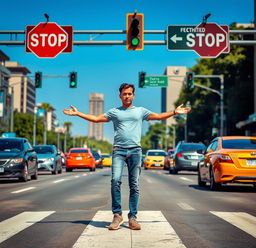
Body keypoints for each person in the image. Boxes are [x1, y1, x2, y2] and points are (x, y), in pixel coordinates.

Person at [63, 83, 191, 231]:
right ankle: (117, 215)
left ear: (133, 95)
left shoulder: (140, 111)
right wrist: (78, 113)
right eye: (125, 94)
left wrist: (174, 112)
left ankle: (132, 218)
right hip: (118, 151)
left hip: (136, 151)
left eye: (130, 93)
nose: (127, 96)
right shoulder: (114, 112)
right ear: (120, 96)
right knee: (115, 180)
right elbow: (97, 119)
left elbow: (158, 116)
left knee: (134, 185)